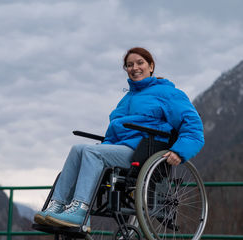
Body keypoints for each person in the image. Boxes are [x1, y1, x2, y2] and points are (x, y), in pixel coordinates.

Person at [33, 47, 204, 229]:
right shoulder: (126, 99)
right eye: (129, 65)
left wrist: (179, 151)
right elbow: (113, 134)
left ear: (151, 66)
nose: (134, 68)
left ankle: (80, 210)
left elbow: (193, 126)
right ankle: (57, 206)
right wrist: (104, 147)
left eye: (140, 63)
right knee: (78, 149)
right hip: (122, 148)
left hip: (143, 151)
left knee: (92, 152)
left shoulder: (168, 93)